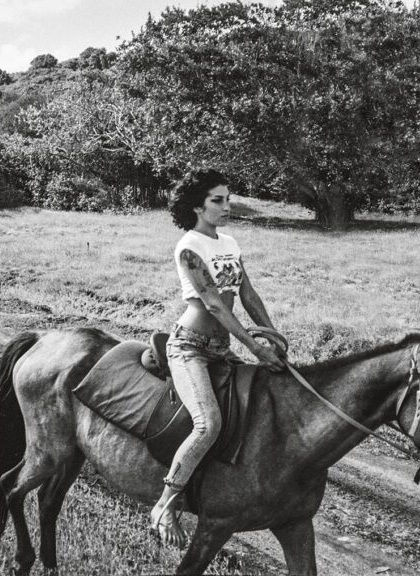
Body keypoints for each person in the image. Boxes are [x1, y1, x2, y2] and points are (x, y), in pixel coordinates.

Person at [150, 168, 285, 548]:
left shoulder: (228, 241)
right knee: (208, 423)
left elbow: (248, 295)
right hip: (189, 347)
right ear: (197, 206)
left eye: (228, 199)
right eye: (217, 200)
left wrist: (271, 336)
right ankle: (165, 504)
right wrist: (254, 348)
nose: (227, 206)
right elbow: (212, 304)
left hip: (220, 350)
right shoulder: (189, 247)